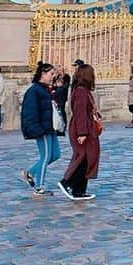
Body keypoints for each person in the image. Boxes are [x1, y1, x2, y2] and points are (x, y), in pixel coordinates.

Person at [59, 63, 101, 201]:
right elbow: (80, 113)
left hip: (85, 127)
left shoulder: (81, 90)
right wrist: (82, 133)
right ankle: (67, 182)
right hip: (83, 129)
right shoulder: (81, 92)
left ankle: (79, 190)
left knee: (87, 158)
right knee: (84, 158)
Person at [20, 62, 62, 197]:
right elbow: (30, 112)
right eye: (51, 74)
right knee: (45, 157)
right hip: (41, 128)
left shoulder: (45, 89)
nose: (52, 77)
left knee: (55, 154)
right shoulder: (34, 90)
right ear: (42, 74)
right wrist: (36, 128)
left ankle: (30, 172)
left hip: (49, 127)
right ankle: (39, 187)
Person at [52, 69, 71, 134]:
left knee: (61, 112)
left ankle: (62, 125)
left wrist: (64, 74)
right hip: (57, 100)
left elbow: (67, 80)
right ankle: (60, 125)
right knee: (58, 113)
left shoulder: (64, 85)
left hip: (61, 99)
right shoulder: (57, 82)